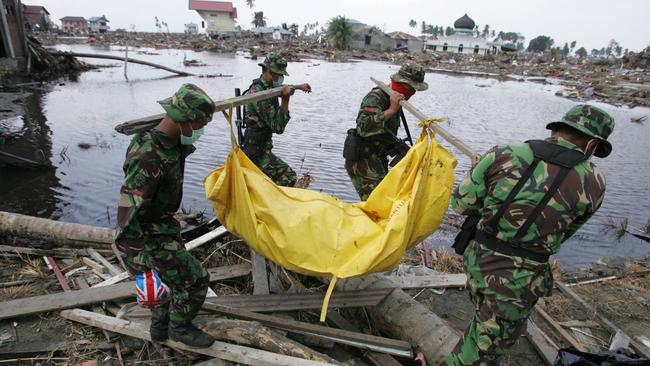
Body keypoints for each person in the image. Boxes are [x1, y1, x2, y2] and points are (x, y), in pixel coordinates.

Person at [444, 105, 615, 365]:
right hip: (520, 279)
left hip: (476, 259)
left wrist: (479, 173)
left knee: (485, 321)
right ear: (592, 144)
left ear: (556, 129)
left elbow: (462, 204)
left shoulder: (502, 153)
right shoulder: (595, 181)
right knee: (485, 349)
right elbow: (566, 233)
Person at [114, 84, 216, 348]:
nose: (202, 130)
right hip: (148, 235)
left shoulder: (171, 142)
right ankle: (180, 327)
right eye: (201, 123)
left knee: (168, 282)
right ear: (185, 120)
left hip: (164, 226)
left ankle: (159, 330)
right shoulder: (148, 157)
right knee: (196, 279)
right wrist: (140, 269)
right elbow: (127, 218)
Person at [344, 63, 428, 200]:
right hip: (363, 160)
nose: (412, 93)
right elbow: (364, 127)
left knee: (385, 201)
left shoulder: (395, 98)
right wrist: (391, 111)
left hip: (377, 158)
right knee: (376, 204)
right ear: (401, 83)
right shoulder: (377, 97)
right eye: (411, 89)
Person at [241, 52, 311, 187]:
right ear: (269, 72)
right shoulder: (259, 95)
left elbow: (281, 88)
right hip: (256, 152)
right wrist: (285, 100)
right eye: (278, 75)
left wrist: (298, 86)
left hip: (262, 147)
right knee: (288, 177)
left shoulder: (268, 86)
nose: (280, 78)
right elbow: (278, 128)